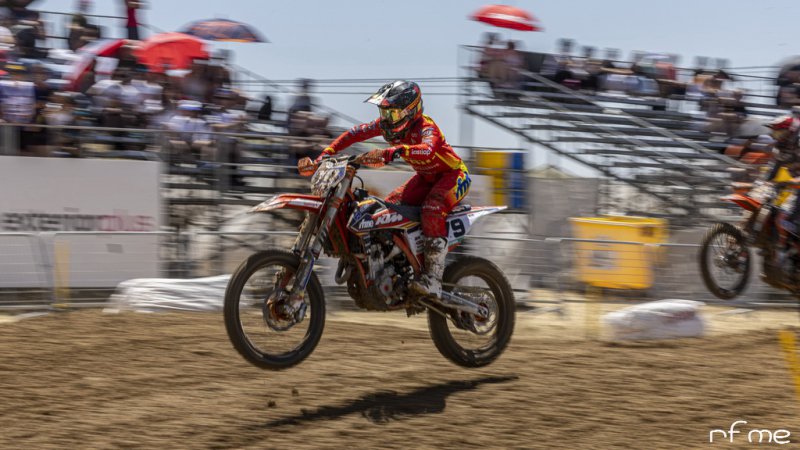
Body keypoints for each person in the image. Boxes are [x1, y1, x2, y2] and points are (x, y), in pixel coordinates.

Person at [313, 80, 471, 297]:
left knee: (432, 208)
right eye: (384, 112)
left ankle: (433, 279)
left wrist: (396, 150)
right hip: (425, 178)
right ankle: (399, 265)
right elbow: (355, 132)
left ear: (410, 111)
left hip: (453, 176)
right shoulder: (387, 125)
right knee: (388, 210)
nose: (387, 118)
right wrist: (327, 153)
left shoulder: (426, 127)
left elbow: (428, 149)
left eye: (392, 113)